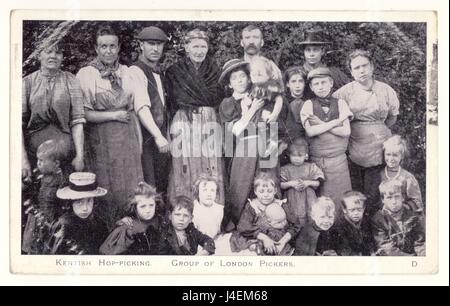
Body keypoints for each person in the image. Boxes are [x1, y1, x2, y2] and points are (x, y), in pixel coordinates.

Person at [76, 25, 147, 229]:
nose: (108, 51)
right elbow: (84, 114)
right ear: (96, 49)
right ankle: (108, 231)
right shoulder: (87, 74)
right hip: (101, 141)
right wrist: (113, 115)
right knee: (106, 186)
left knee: (130, 184)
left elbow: (133, 112)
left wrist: (139, 144)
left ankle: (132, 233)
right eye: (103, 46)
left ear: (118, 48)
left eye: (112, 46)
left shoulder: (127, 72)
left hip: (128, 139)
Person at [333, 49, 400, 216]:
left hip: (380, 148)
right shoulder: (344, 92)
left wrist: (377, 129)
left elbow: (392, 117)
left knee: (376, 192)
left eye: (364, 66)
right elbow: (333, 116)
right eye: (356, 68)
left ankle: (377, 230)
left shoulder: (385, 90)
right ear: (351, 71)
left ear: (372, 67)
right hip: (354, 147)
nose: (361, 71)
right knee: (356, 193)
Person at [165, 28, 225, 208]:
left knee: (210, 164)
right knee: (183, 165)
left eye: (203, 46)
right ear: (186, 47)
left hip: (209, 120)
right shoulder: (174, 71)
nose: (199, 51)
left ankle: (212, 212)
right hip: (183, 121)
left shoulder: (215, 70)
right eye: (195, 46)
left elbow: (219, 101)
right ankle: (183, 211)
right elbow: (171, 104)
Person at [22, 42, 85, 182]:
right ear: (39, 55)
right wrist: (23, 159)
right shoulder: (27, 82)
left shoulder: (71, 80)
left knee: (65, 193)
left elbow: (77, 120)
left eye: (58, 52)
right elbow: (17, 124)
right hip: (36, 155)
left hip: (65, 153)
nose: (53, 56)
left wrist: (79, 156)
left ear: (62, 57)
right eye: (48, 52)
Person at [218, 58, 268, 230]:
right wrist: (252, 109)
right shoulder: (227, 103)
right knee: (241, 189)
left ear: (249, 78)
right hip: (241, 151)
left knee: (264, 185)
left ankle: (265, 226)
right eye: (234, 78)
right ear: (230, 84)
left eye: (242, 76)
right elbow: (235, 130)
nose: (239, 81)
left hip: (263, 147)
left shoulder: (259, 95)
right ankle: (241, 227)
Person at [300, 67, 353, 217]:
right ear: (311, 87)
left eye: (324, 82)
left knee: (341, 202)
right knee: (318, 205)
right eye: (316, 84)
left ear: (331, 83)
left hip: (339, 163)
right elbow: (311, 131)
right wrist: (337, 122)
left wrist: (320, 124)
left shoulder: (341, 103)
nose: (320, 87)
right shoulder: (308, 104)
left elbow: (346, 132)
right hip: (317, 162)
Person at [130, 26, 171, 195]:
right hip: (146, 139)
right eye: (150, 44)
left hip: (161, 139)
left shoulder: (160, 73)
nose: (155, 49)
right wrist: (158, 136)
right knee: (149, 185)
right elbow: (141, 107)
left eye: (159, 44)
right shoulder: (136, 70)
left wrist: (165, 135)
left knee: (163, 183)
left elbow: (164, 108)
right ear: (141, 45)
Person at [230, 171, 298, 255]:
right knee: (244, 241)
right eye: (261, 191)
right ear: (255, 191)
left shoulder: (281, 204)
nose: (266, 195)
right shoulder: (252, 205)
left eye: (269, 191)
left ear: (275, 191)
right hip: (258, 236)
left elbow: (295, 225)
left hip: (278, 237)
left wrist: (283, 242)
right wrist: (264, 238)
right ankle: (257, 248)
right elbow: (244, 226)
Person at [22, 139, 66, 254]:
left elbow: (62, 204)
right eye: (37, 160)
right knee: (35, 245)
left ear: (56, 164)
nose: (38, 163)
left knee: (48, 246)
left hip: (50, 219)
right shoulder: (41, 176)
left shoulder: (60, 180)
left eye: (41, 160)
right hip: (38, 217)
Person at [48, 172, 109, 255]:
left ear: (94, 201)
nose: (85, 208)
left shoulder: (99, 224)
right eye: (79, 202)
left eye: (89, 201)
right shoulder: (64, 225)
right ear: (70, 203)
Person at [99, 182, 165, 255]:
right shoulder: (128, 229)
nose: (148, 210)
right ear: (135, 208)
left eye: (151, 205)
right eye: (143, 206)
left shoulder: (160, 221)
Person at [371, 180, 425, 256]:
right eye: (389, 198)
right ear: (383, 200)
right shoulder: (379, 219)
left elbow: (420, 241)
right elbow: (387, 248)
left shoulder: (412, 215)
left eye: (397, 196)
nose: (394, 202)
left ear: (402, 197)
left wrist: (422, 255)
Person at [280, 137, 324, 227]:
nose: (296, 159)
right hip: (292, 198)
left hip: (308, 198)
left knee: (311, 218)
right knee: (293, 219)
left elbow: (318, 183)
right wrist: (291, 184)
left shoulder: (310, 167)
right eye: (294, 156)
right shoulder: (285, 169)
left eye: (300, 156)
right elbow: (281, 185)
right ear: (288, 155)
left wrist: (308, 183)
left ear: (306, 156)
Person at [298, 29, 350, 99]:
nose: (311, 54)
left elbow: (350, 89)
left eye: (315, 50)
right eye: (308, 50)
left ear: (322, 51)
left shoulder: (334, 73)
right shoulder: (298, 74)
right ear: (303, 52)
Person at [380, 135, 423, 213]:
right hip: (383, 217)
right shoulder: (379, 175)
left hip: (403, 215)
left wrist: (403, 206)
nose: (391, 159)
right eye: (388, 154)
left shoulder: (407, 177)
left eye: (395, 155)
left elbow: (417, 201)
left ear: (402, 156)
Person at [330, 191, 377, 256]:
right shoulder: (338, 227)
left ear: (364, 208)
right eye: (352, 210)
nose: (356, 213)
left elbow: (370, 242)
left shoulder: (366, 222)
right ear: (344, 210)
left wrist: (372, 253)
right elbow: (344, 250)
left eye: (359, 209)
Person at [192, 173, 224, 239]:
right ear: (198, 192)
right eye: (205, 190)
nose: (209, 194)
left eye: (212, 190)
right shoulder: (193, 210)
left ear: (216, 193)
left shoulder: (220, 209)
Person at [283, 66, 308, 140]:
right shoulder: (283, 101)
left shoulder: (310, 100)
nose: (297, 85)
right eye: (293, 81)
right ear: (287, 84)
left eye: (300, 81)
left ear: (305, 83)